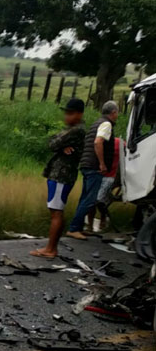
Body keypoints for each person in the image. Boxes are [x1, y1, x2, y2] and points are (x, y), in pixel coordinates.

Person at [31, 98, 86, 259]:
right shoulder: (73, 130)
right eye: (66, 113)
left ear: (79, 114)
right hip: (59, 175)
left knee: (56, 212)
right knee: (56, 211)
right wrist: (61, 145)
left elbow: (53, 144)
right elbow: (52, 140)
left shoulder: (76, 131)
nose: (67, 117)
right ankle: (51, 247)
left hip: (62, 175)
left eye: (71, 113)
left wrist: (60, 144)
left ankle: (51, 249)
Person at [67, 101, 119, 240]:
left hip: (86, 164)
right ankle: (73, 229)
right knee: (90, 200)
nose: (117, 116)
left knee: (85, 198)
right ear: (113, 113)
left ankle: (77, 228)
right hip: (94, 167)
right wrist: (102, 164)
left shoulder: (97, 123)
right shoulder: (106, 124)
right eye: (117, 113)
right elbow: (98, 142)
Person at [87, 137, 122, 231]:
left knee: (98, 199)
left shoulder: (119, 143)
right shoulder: (99, 142)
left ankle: (102, 218)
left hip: (110, 176)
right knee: (93, 201)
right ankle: (91, 225)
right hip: (100, 175)